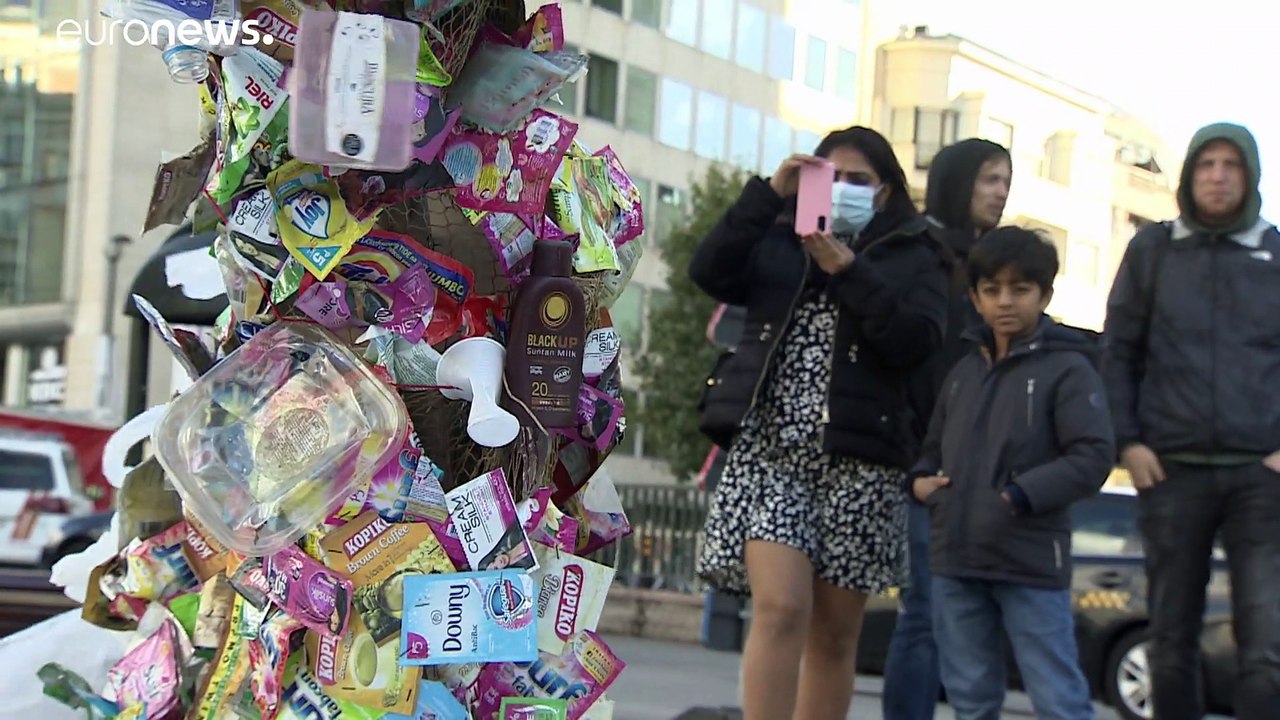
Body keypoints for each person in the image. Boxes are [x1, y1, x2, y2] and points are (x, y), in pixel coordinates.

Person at [691, 126, 951, 720]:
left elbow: (917, 343)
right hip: (774, 452)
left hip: (862, 461)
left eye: (858, 180)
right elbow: (710, 269)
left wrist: (848, 269)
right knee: (781, 608)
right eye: (829, 178)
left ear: (886, 190)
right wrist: (768, 195)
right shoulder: (782, 233)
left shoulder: (917, 250)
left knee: (833, 636)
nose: (843, 190)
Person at [1102, 123, 1280, 720]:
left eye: (1232, 165)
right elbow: (1119, 350)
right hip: (1171, 472)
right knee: (1170, 640)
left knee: (1267, 647)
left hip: (1262, 478)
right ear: (1189, 175)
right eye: (1207, 164)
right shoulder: (1154, 250)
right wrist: (1129, 441)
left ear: (1250, 176)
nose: (1218, 176)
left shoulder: (1274, 253)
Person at [911, 227, 1113, 720]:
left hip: (1030, 562)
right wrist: (919, 483)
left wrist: (1022, 495)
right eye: (991, 289)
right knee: (971, 699)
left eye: (1019, 289)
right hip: (956, 559)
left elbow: (1092, 456)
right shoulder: (963, 373)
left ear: (1044, 295)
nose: (1005, 301)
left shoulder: (1069, 369)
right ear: (975, 297)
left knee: (1058, 699)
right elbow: (929, 450)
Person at [883, 138, 1011, 720]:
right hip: (927, 463)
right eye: (988, 179)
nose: (1001, 192)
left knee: (964, 612)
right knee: (928, 609)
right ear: (959, 182)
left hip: (987, 468)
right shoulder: (926, 251)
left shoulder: (997, 265)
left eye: (1006, 180)